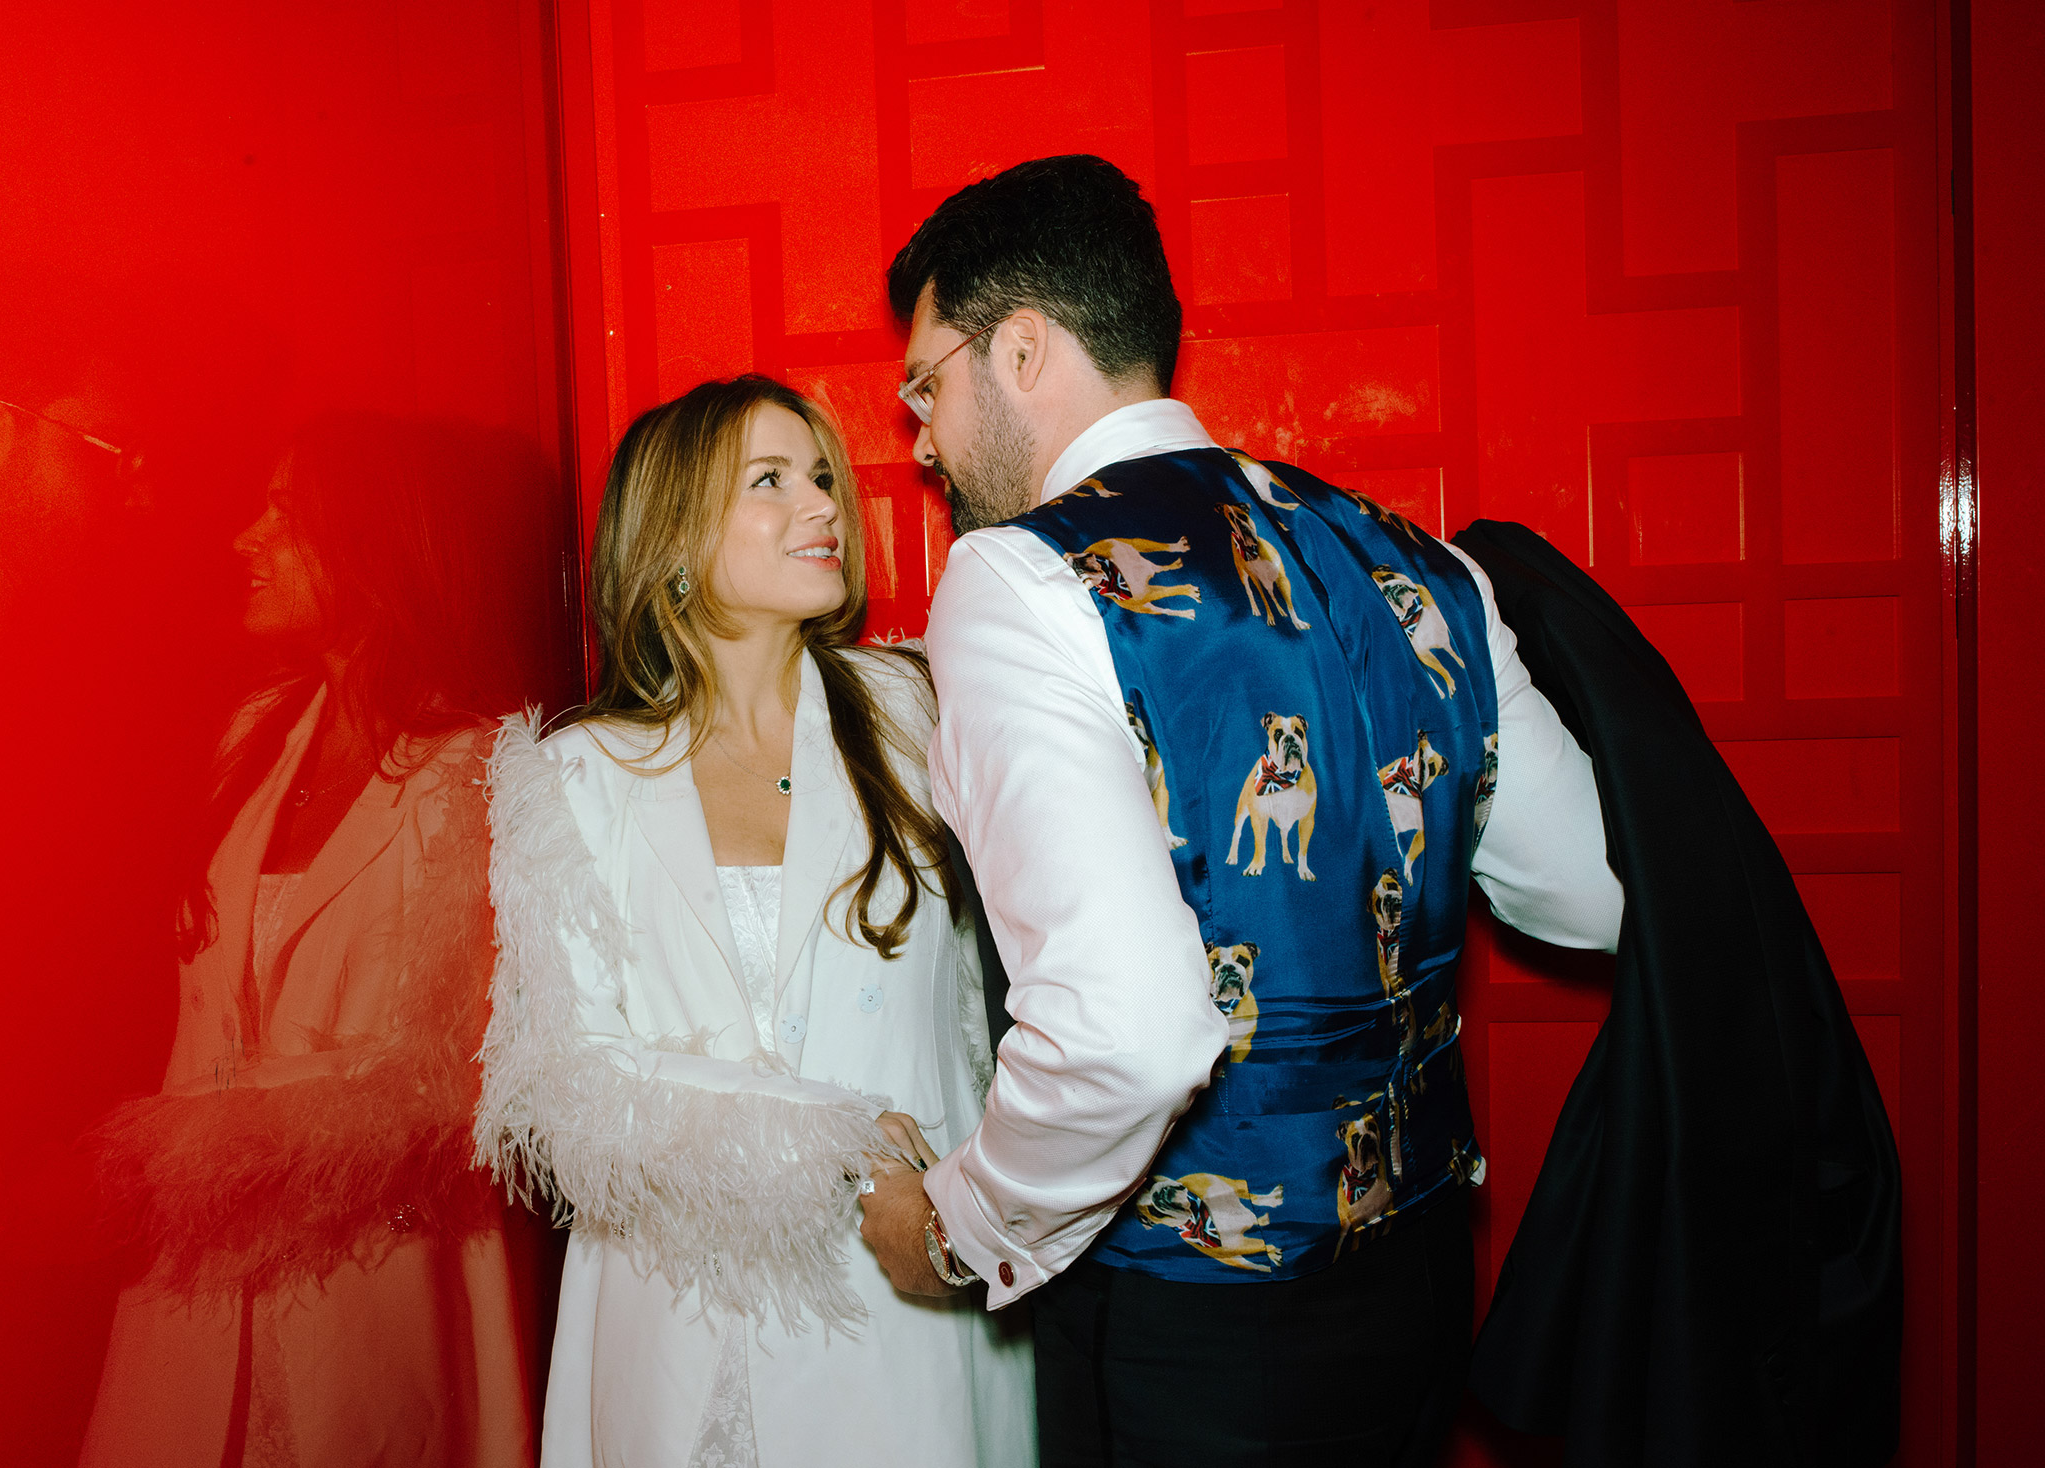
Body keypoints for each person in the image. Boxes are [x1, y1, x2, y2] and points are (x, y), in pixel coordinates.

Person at [856, 154, 1626, 1465]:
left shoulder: (1015, 580)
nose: (919, 434)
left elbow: (1130, 1032)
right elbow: (1595, 893)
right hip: (1423, 1294)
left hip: (1195, 1342)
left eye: (928, 381)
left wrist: (952, 1230)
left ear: (1025, 350)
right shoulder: (1414, 560)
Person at [473, 374, 1037, 1467]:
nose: (824, 506)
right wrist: (826, 1133)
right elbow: (571, 1083)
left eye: (822, 477)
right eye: (771, 482)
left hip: (901, 1299)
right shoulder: (577, 776)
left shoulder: (920, 713)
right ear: (673, 539)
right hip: (675, 1316)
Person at [79, 415, 562, 1467]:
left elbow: (445, 1079)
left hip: (372, 1281)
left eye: (284, 516)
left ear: (373, 544)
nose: (247, 539)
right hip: (196, 1291)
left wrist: (175, 1157)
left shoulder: (471, 769)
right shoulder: (249, 735)